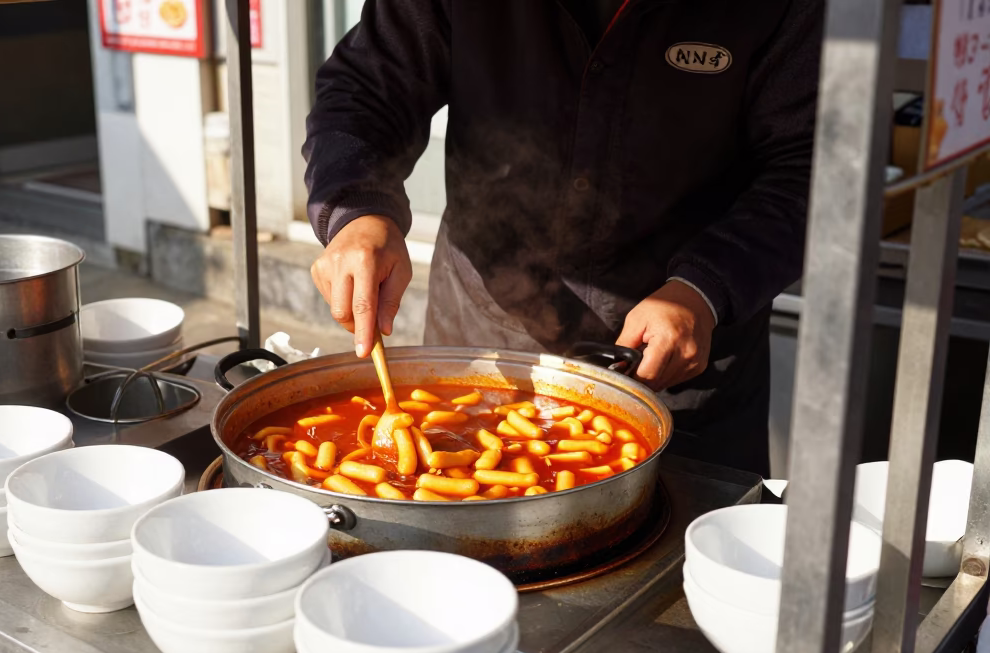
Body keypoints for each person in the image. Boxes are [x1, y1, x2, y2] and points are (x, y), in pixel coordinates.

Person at [303, 0, 824, 476]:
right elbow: (369, 87)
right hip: (481, 344)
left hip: (683, 361)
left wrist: (707, 287)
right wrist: (357, 211)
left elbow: (811, 161)